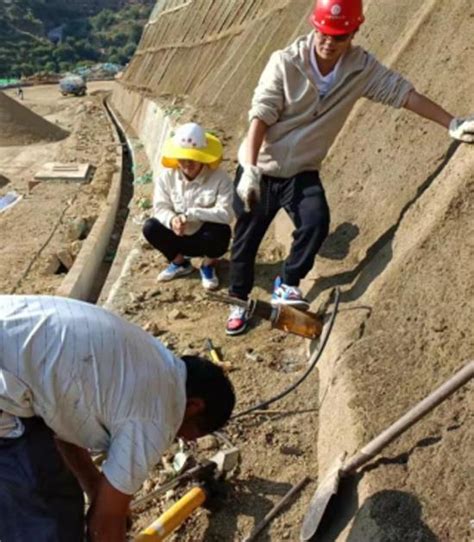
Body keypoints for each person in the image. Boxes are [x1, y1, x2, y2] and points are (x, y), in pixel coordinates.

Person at [225, 0, 474, 336]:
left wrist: (451, 122)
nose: (329, 42)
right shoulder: (285, 62)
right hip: (261, 167)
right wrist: (251, 168)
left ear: (354, 33)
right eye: (324, 33)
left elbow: (403, 94)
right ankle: (238, 301)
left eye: (339, 36)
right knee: (246, 238)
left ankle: (288, 284)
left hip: (301, 170)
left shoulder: (360, 69)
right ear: (315, 28)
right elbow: (261, 114)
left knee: (315, 221)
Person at [0, 295, 235, 542]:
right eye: (194, 433)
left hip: (11, 342)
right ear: (194, 406)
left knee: (50, 498)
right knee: (47, 515)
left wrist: (96, 488)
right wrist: (108, 518)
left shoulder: (153, 361)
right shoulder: (160, 414)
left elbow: (62, 425)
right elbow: (103, 525)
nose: (186, 440)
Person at [143, 122, 234, 291]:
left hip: (204, 238)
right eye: (182, 158)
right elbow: (160, 206)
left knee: (222, 232)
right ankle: (180, 263)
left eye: (192, 158)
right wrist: (172, 220)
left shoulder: (220, 178)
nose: (187, 163)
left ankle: (208, 265)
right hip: (178, 236)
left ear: (202, 156)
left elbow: (226, 213)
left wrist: (194, 214)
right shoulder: (167, 177)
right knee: (150, 227)